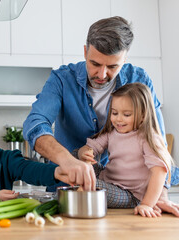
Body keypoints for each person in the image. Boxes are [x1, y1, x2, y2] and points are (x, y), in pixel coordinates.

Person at [23, 16, 179, 215]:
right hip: (69, 186)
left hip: (128, 196)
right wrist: (68, 160)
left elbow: (158, 141)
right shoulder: (62, 79)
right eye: (95, 63)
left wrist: (160, 193)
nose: (102, 74)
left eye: (112, 66)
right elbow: (35, 124)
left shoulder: (139, 80)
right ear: (85, 51)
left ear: (125, 58)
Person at [78, 83, 177, 217]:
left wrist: (147, 204)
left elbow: (159, 172)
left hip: (129, 194)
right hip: (108, 179)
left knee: (89, 184)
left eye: (126, 114)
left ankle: (79, 192)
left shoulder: (148, 138)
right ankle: (81, 188)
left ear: (143, 115)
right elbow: (91, 147)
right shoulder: (112, 133)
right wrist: (85, 153)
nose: (118, 119)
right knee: (74, 157)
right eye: (114, 113)